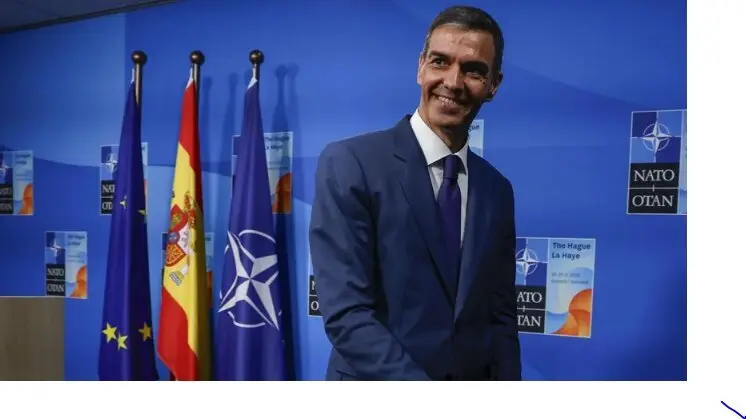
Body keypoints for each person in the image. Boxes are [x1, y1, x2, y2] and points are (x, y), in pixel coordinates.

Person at [309, 5, 521, 381]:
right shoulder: (351, 163)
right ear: (421, 66)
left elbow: (500, 319)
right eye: (440, 62)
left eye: (473, 70)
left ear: (493, 85)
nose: (453, 82)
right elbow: (347, 314)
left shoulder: (497, 190)